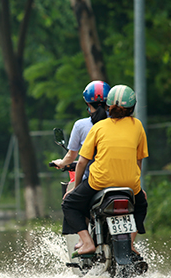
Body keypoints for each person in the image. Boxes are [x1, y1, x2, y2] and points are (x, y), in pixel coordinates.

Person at [61, 84, 149, 257]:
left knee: (69, 204)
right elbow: (139, 160)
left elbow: (82, 163)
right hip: (130, 185)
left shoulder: (98, 127)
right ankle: (129, 244)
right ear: (132, 107)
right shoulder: (138, 126)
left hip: (100, 182)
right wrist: (135, 184)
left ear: (109, 106)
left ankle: (87, 243)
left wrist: (76, 187)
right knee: (142, 204)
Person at [51, 81, 111, 184]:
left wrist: (62, 163)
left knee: (69, 199)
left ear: (87, 103)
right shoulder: (120, 123)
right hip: (122, 180)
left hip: (94, 181)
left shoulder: (81, 125)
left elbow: (73, 156)